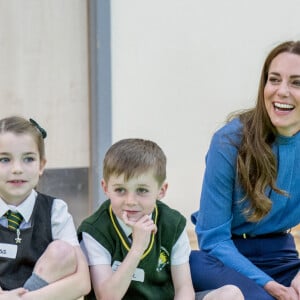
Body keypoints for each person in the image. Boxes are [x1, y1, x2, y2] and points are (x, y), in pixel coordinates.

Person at [190, 40, 300, 300]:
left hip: (281, 255)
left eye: (296, 82)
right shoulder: (228, 142)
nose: (282, 91)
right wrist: (269, 286)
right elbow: (213, 239)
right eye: (274, 80)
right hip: (222, 259)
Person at [78, 138, 244, 299]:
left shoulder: (172, 223)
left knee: (230, 294)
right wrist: (137, 248)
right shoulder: (95, 230)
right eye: (120, 190)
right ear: (105, 188)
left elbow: (184, 288)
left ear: (161, 190)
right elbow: (107, 297)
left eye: (142, 190)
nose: (130, 201)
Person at [0, 116, 91, 299]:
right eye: (4, 160)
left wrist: (24, 298)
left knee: (63, 251)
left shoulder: (55, 210)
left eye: (28, 159)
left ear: (41, 165)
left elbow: (82, 283)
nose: (17, 169)